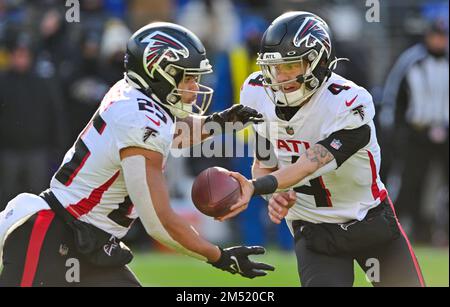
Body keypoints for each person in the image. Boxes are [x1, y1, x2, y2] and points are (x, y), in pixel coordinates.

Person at [0, 22, 273, 287]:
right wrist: (220, 256)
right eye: (187, 77)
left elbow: (170, 136)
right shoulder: (138, 118)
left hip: (94, 245)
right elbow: (159, 222)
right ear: (158, 72)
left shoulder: (138, 99)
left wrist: (221, 122)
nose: (194, 87)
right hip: (54, 235)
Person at [220, 11, 425, 287]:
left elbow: (309, 163)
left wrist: (257, 186)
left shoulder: (347, 102)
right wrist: (274, 195)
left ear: (318, 61)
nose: (280, 76)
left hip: (369, 223)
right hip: (315, 233)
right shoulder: (257, 93)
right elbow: (265, 162)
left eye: (290, 65)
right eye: (274, 67)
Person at [381, 19, 448, 244]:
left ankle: (438, 230)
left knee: (440, 185)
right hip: (416, 132)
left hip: (445, 131)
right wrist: (394, 131)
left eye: (443, 36)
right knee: (409, 181)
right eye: (436, 36)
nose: (439, 41)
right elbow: (393, 96)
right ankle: (396, 229)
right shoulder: (411, 60)